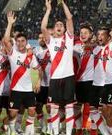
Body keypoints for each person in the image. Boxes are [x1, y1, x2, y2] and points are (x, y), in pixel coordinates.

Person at [3, 11, 42, 135]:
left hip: (28, 90)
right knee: (13, 113)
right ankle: (11, 131)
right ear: (16, 42)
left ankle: (28, 132)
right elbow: (5, 41)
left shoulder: (31, 56)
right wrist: (10, 24)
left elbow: (39, 69)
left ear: (27, 42)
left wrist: (39, 82)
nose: (20, 43)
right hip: (15, 89)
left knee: (32, 111)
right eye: (18, 41)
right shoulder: (13, 53)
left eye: (23, 41)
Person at [41, 0, 75, 134]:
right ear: (54, 29)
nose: (59, 26)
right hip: (54, 77)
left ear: (65, 28)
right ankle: (55, 132)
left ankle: (68, 133)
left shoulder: (69, 38)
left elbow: (70, 18)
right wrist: (48, 10)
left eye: (61, 25)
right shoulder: (51, 41)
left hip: (68, 77)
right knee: (54, 108)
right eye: (57, 25)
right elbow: (43, 28)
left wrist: (63, 4)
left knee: (69, 107)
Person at [34, 33, 51, 134]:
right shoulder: (36, 51)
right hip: (41, 84)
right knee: (37, 106)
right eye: (39, 38)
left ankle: (50, 127)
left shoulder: (53, 50)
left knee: (50, 107)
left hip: (52, 84)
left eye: (43, 38)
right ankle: (42, 126)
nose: (41, 40)